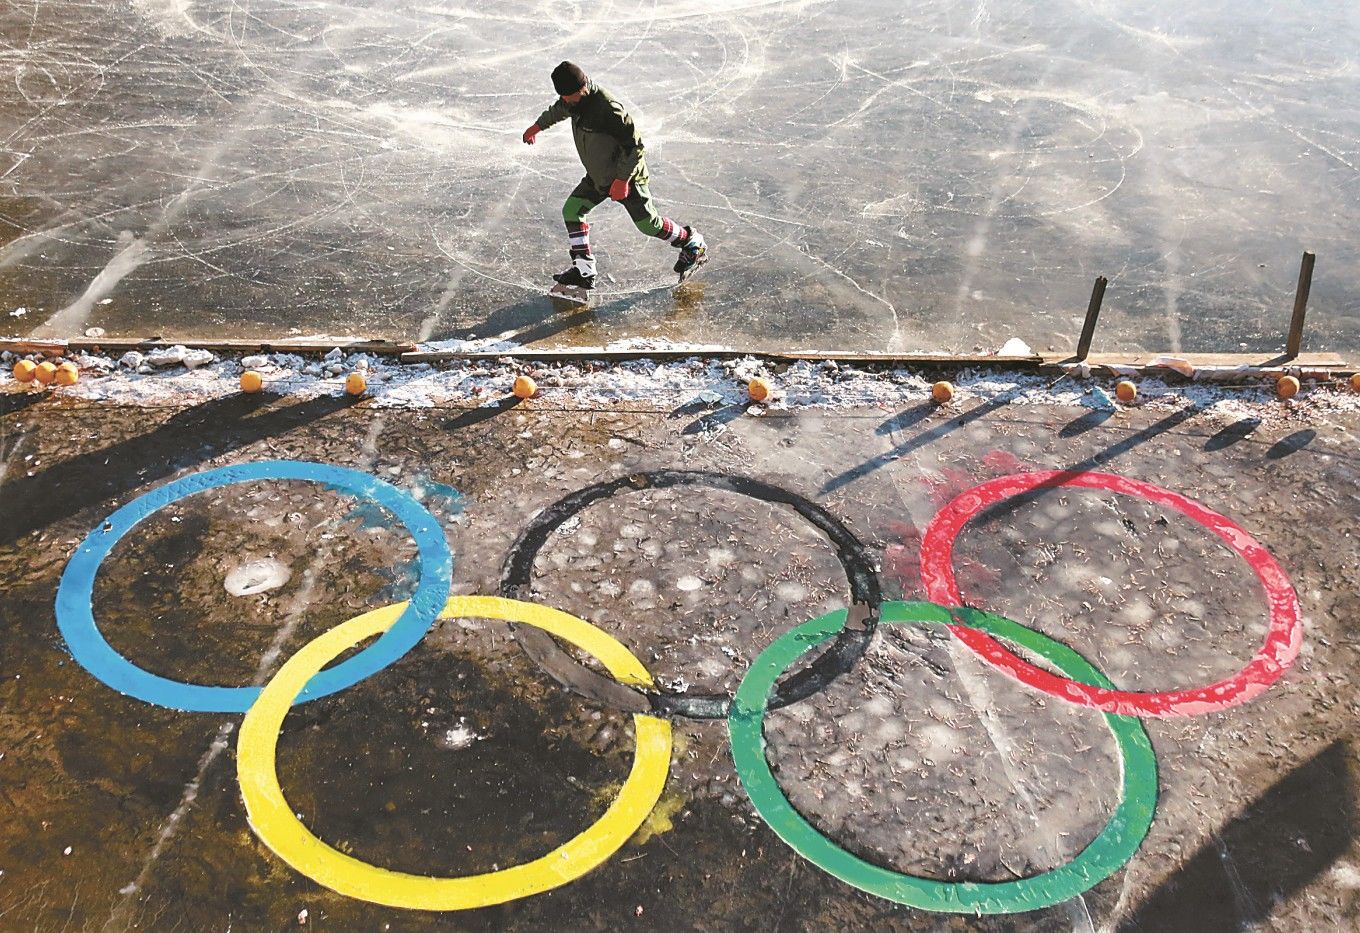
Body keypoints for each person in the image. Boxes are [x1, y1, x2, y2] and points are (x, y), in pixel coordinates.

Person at [522, 61, 707, 293]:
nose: (566, 101)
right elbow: (559, 109)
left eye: (569, 96)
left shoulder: (607, 109)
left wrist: (622, 181)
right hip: (599, 176)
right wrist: (537, 127)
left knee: (649, 225)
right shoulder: (573, 101)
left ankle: (691, 242)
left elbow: (635, 147)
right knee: (572, 210)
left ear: (582, 88)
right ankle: (583, 270)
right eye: (564, 97)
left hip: (627, 178)